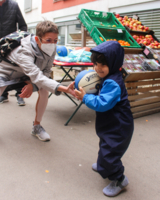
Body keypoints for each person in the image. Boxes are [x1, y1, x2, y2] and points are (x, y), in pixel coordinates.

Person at [75, 41, 134, 197]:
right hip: (111, 123)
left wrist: (85, 97)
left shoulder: (113, 83)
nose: (97, 68)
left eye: (102, 65)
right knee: (106, 145)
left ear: (113, 63)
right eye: (95, 64)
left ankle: (119, 179)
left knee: (110, 152)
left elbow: (102, 104)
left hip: (119, 126)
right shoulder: (110, 75)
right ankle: (103, 164)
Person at [0, 20, 75, 142]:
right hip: (6, 71)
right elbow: (38, 77)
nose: (52, 44)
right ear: (37, 39)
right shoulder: (23, 52)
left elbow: (45, 72)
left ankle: (37, 126)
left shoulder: (52, 49)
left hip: (27, 72)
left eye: (55, 40)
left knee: (44, 89)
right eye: (48, 40)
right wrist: (64, 88)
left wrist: (32, 85)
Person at [0, 0, 27, 106]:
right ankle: (4, 94)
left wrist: (19, 41)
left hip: (12, 45)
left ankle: (20, 95)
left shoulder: (14, 5)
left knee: (17, 69)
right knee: (2, 71)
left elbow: (23, 26)